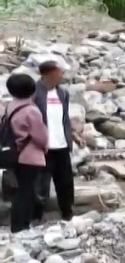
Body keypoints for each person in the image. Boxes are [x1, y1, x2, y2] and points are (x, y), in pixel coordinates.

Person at [33, 59, 79, 223]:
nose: (62, 75)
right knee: (40, 184)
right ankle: (36, 216)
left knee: (65, 182)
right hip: (41, 147)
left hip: (61, 145)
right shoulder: (34, 93)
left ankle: (67, 212)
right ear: (48, 73)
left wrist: (73, 136)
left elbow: (64, 118)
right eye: (59, 71)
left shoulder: (63, 93)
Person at [3, 73, 48, 234]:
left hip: (14, 154)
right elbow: (41, 136)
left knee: (22, 190)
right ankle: (20, 227)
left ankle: (24, 222)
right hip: (30, 156)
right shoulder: (31, 110)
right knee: (25, 192)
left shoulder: (11, 106)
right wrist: (46, 147)